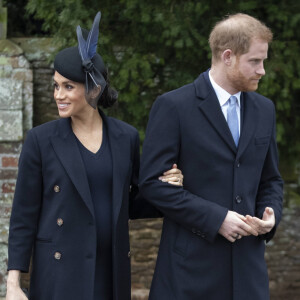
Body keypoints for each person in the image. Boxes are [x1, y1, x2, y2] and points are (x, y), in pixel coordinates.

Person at [5, 12, 183, 300]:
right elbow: (24, 215)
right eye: (55, 85)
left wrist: (167, 186)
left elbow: (134, 204)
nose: (58, 95)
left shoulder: (125, 137)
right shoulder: (40, 140)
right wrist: (13, 284)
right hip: (58, 274)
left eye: (68, 86)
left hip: (109, 271)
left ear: (94, 89)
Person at [139, 13, 283, 300]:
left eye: (263, 61)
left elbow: (271, 179)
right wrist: (217, 218)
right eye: (255, 61)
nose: (262, 70)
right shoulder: (174, 107)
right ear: (227, 56)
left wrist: (271, 216)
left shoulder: (264, 109)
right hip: (190, 273)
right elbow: (151, 184)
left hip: (248, 273)